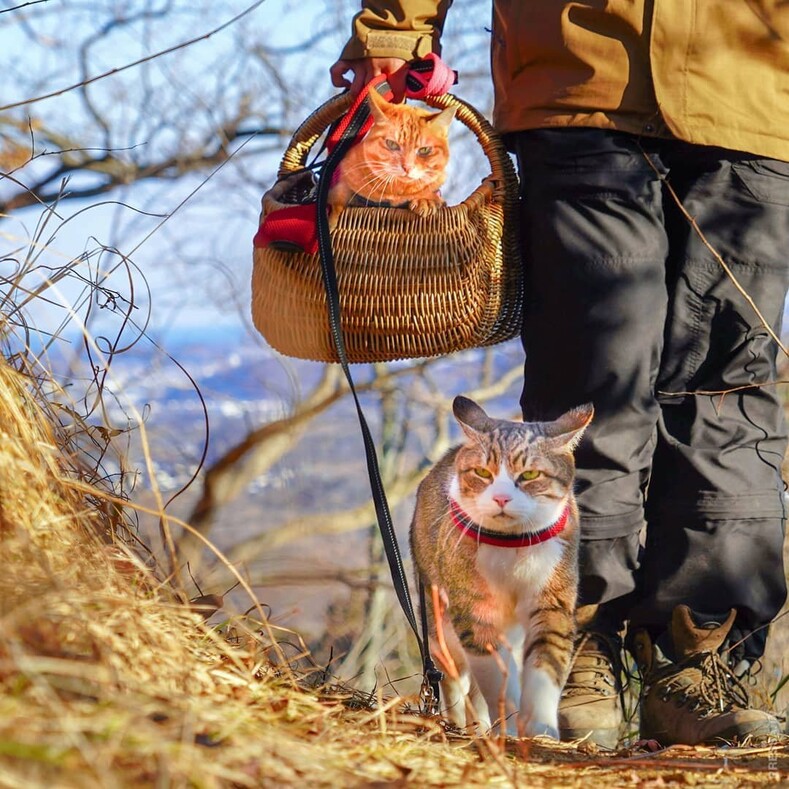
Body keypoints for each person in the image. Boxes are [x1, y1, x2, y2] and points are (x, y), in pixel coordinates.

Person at [330, 2, 789, 747]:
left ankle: (697, 656)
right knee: (590, 380)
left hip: (758, 85)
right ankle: (577, 644)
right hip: (581, 75)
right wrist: (395, 29)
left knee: (728, 382)